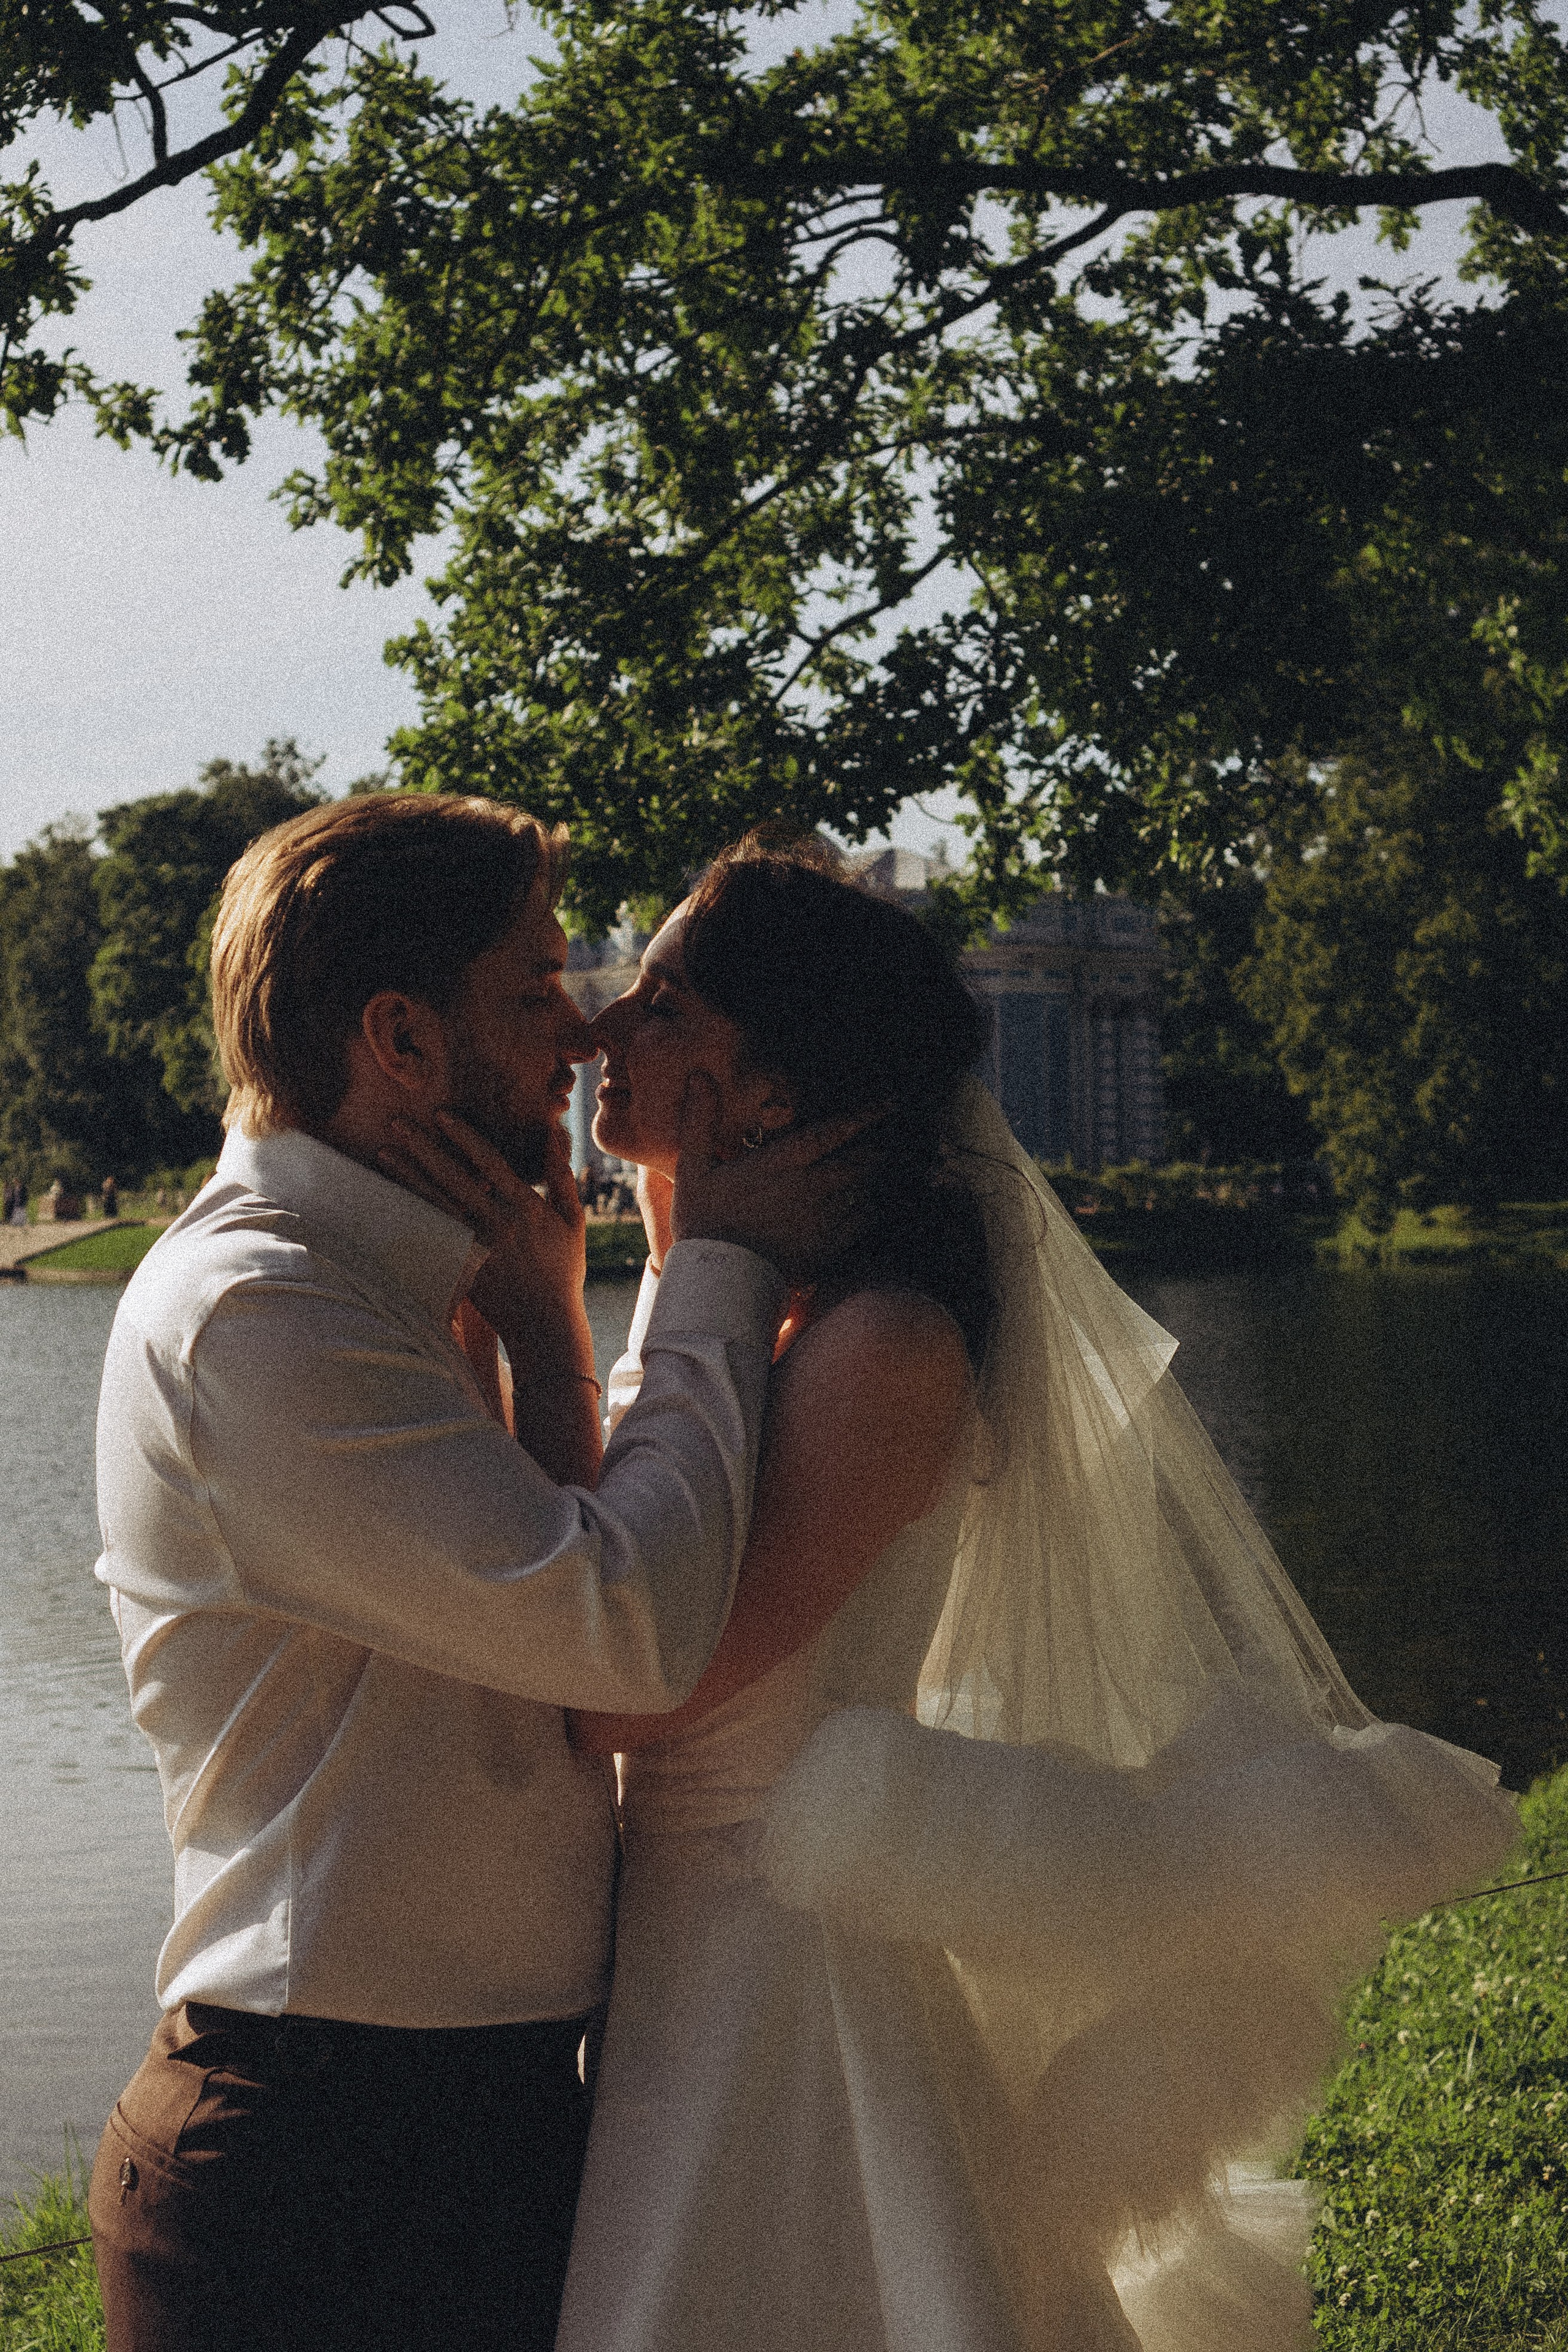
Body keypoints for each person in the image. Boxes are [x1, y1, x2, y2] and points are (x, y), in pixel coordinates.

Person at [511, 835, 1512, 2352]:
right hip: (695, 1938)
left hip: (779, 1971)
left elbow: (636, 1684)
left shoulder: (881, 1344)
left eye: (660, 1003)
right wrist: (675, 1263)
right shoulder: (776, 1313)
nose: (599, 1028)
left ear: (770, 1084)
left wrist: (577, 1314)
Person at [86, 793, 874, 2352]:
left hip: (469, 2121)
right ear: (400, 1040)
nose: (582, 1039)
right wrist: (711, 1257)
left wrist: (547, 1343)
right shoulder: (260, 1318)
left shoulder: (398, 1289)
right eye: (531, 991)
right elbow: (628, 1631)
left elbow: (554, 1633)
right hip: (319, 2174)